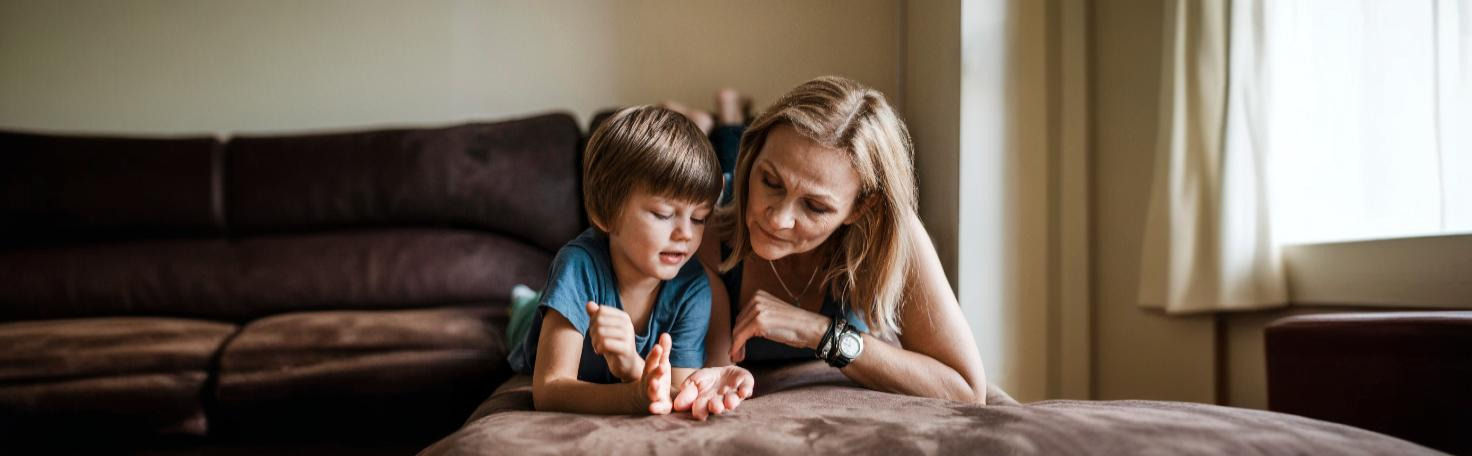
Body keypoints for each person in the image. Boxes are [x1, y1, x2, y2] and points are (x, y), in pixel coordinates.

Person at [683, 76, 989, 404]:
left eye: (815, 206)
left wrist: (818, 332)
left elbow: (966, 390)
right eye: (771, 181)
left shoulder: (890, 232)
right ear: (754, 155)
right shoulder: (706, 220)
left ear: (860, 207)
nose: (778, 219)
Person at [505, 106, 754, 417]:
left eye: (700, 218)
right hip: (529, 322)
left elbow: (678, 392)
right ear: (606, 214)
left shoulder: (692, 287)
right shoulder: (578, 266)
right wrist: (634, 396)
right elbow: (549, 389)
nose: (686, 234)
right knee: (524, 312)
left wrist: (632, 367)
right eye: (664, 215)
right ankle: (523, 301)